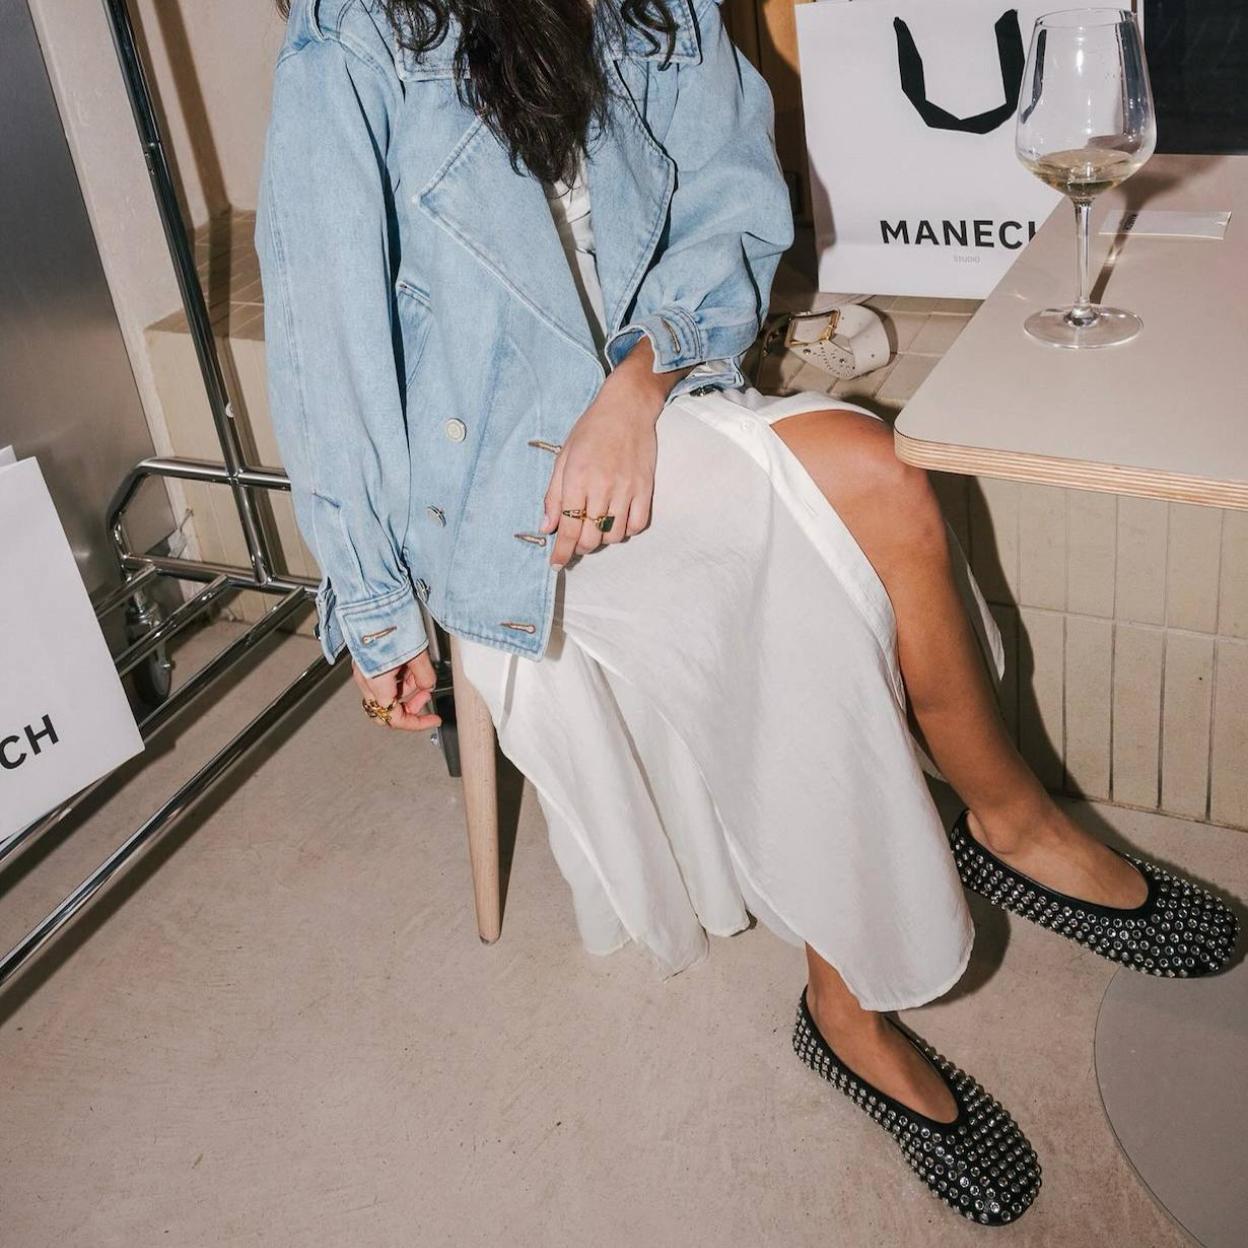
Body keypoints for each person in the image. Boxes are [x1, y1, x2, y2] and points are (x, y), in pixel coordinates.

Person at [256, 0, 1238, 1226]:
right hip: (495, 484)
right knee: (858, 501)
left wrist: (637, 385)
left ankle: (948, 883)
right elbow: (324, 337)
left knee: (874, 494)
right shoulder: (356, 32)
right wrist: (374, 605)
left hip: (653, 399)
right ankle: (979, 853)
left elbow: (729, 201)